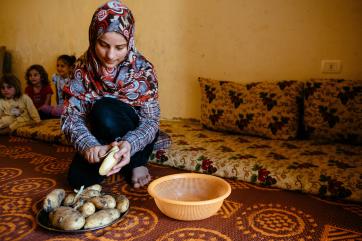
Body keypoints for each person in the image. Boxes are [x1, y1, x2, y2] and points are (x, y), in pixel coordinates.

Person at [61, 0, 169, 189]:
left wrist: (129, 145)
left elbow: (151, 122)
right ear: (93, 37)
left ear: (130, 42)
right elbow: (71, 117)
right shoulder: (81, 69)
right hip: (98, 134)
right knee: (78, 181)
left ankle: (137, 161)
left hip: (133, 134)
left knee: (105, 108)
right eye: (103, 44)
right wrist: (89, 145)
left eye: (119, 47)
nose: (110, 55)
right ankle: (112, 154)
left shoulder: (143, 70)